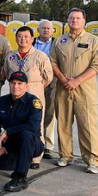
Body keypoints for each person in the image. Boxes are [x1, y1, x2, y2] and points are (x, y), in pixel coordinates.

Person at [51, 8, 98, 174]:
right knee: (63, 124)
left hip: (85, 91)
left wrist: (77, 81)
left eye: (78, 18)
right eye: (71, 18)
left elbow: (97, 66)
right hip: (63, 89)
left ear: (84, 21)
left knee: (88, 125)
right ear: (67, 20)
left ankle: (92, 160)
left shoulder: (93, 41)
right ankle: (65, 156)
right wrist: (62, 79)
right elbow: (52, 61)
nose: (74, 20)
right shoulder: (59, 41)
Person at [0, 71, 45, 192]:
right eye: (13, 83)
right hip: (11, 144)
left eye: (19, 83)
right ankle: (21, 162)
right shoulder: (2, 101)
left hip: (32, 144)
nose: (16, 86)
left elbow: (32, 126)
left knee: (26, 134)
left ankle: (20, 177)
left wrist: (8, 131)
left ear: (26, 86)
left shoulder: (33, 102)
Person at [2, 26, 53, 168]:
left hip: (34, 95)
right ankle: (18, 152)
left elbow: (48, 77)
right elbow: (6, 73)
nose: (23, 39)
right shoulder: (11, 57)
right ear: (16, 38)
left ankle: (36, 158)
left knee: (36, 125)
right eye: (19, 36)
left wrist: (35, 87)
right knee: (16, 123)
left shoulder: (40, 56)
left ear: (32, 39)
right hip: (15, 96)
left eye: (26, 36)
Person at [33, 19, 58, 158]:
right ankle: (35, 141)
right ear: (38, 30)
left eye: (49, 28)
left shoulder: (57, 44)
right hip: (33, 84)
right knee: (33, 112)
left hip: (51, 84)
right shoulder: (31, 42)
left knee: (49, 113)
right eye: (43, 28)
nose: (46, 30)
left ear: (53, 30)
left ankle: (48, 145)